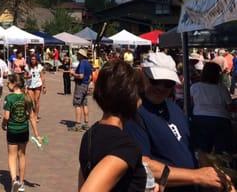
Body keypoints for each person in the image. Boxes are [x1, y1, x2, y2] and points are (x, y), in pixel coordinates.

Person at [124, 52, 234, 192]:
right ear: (142, 74)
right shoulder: (134, 112)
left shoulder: (172, 107)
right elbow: (143, 165)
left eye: (168, 83)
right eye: (155, 81)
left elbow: (191, 147)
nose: (161, 87)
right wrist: (196, 176)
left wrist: (212, 170)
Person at [78, 60, 147, 192]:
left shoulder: (90, 135)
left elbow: (83, 180)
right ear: (130, 97)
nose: (141, 101)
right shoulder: (125, 147)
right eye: (139, 94)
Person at [2, 73, 42, 192]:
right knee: (22, 155)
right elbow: (32, 117)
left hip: (13, 130)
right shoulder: (27, 97)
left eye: (8, 82)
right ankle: (22, 182)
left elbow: (7, 116)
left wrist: (3, 124)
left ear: (14, 84)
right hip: (24, 130)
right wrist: (37, 135)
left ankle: (14, 180)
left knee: (12, 156)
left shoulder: (9, 98)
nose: (7, 84)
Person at [190, 62, 233, 154]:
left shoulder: (195, 87)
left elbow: (191, 104)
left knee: (201, 151)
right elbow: (230, 106)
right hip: (221, 120)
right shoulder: (222, 88)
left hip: (199, 118)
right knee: (222, 152)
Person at [69, 49, 93, 131]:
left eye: (78, 54)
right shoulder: (88, 63)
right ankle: (86, 123)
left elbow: (81, 76)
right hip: (86, 85)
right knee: (84, 104)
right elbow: (90, 77)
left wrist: (73, 74)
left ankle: (78, 124)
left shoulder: (82, 62)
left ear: (81, 55)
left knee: (77, 104)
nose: (77, 56)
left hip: (80, 85)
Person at [25, 54, 46, 120]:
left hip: (37, 85)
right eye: (31, 59)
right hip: (30, 85)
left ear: (36, 60)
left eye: (34, 59)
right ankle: (32, 113)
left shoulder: (39, 67)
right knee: (30, 101)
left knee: (36, 100)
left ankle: (36, 115)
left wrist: (44, 86)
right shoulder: (27, 67)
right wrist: (27, 77)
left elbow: (42, 77)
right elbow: (24, 76)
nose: (33, 61)